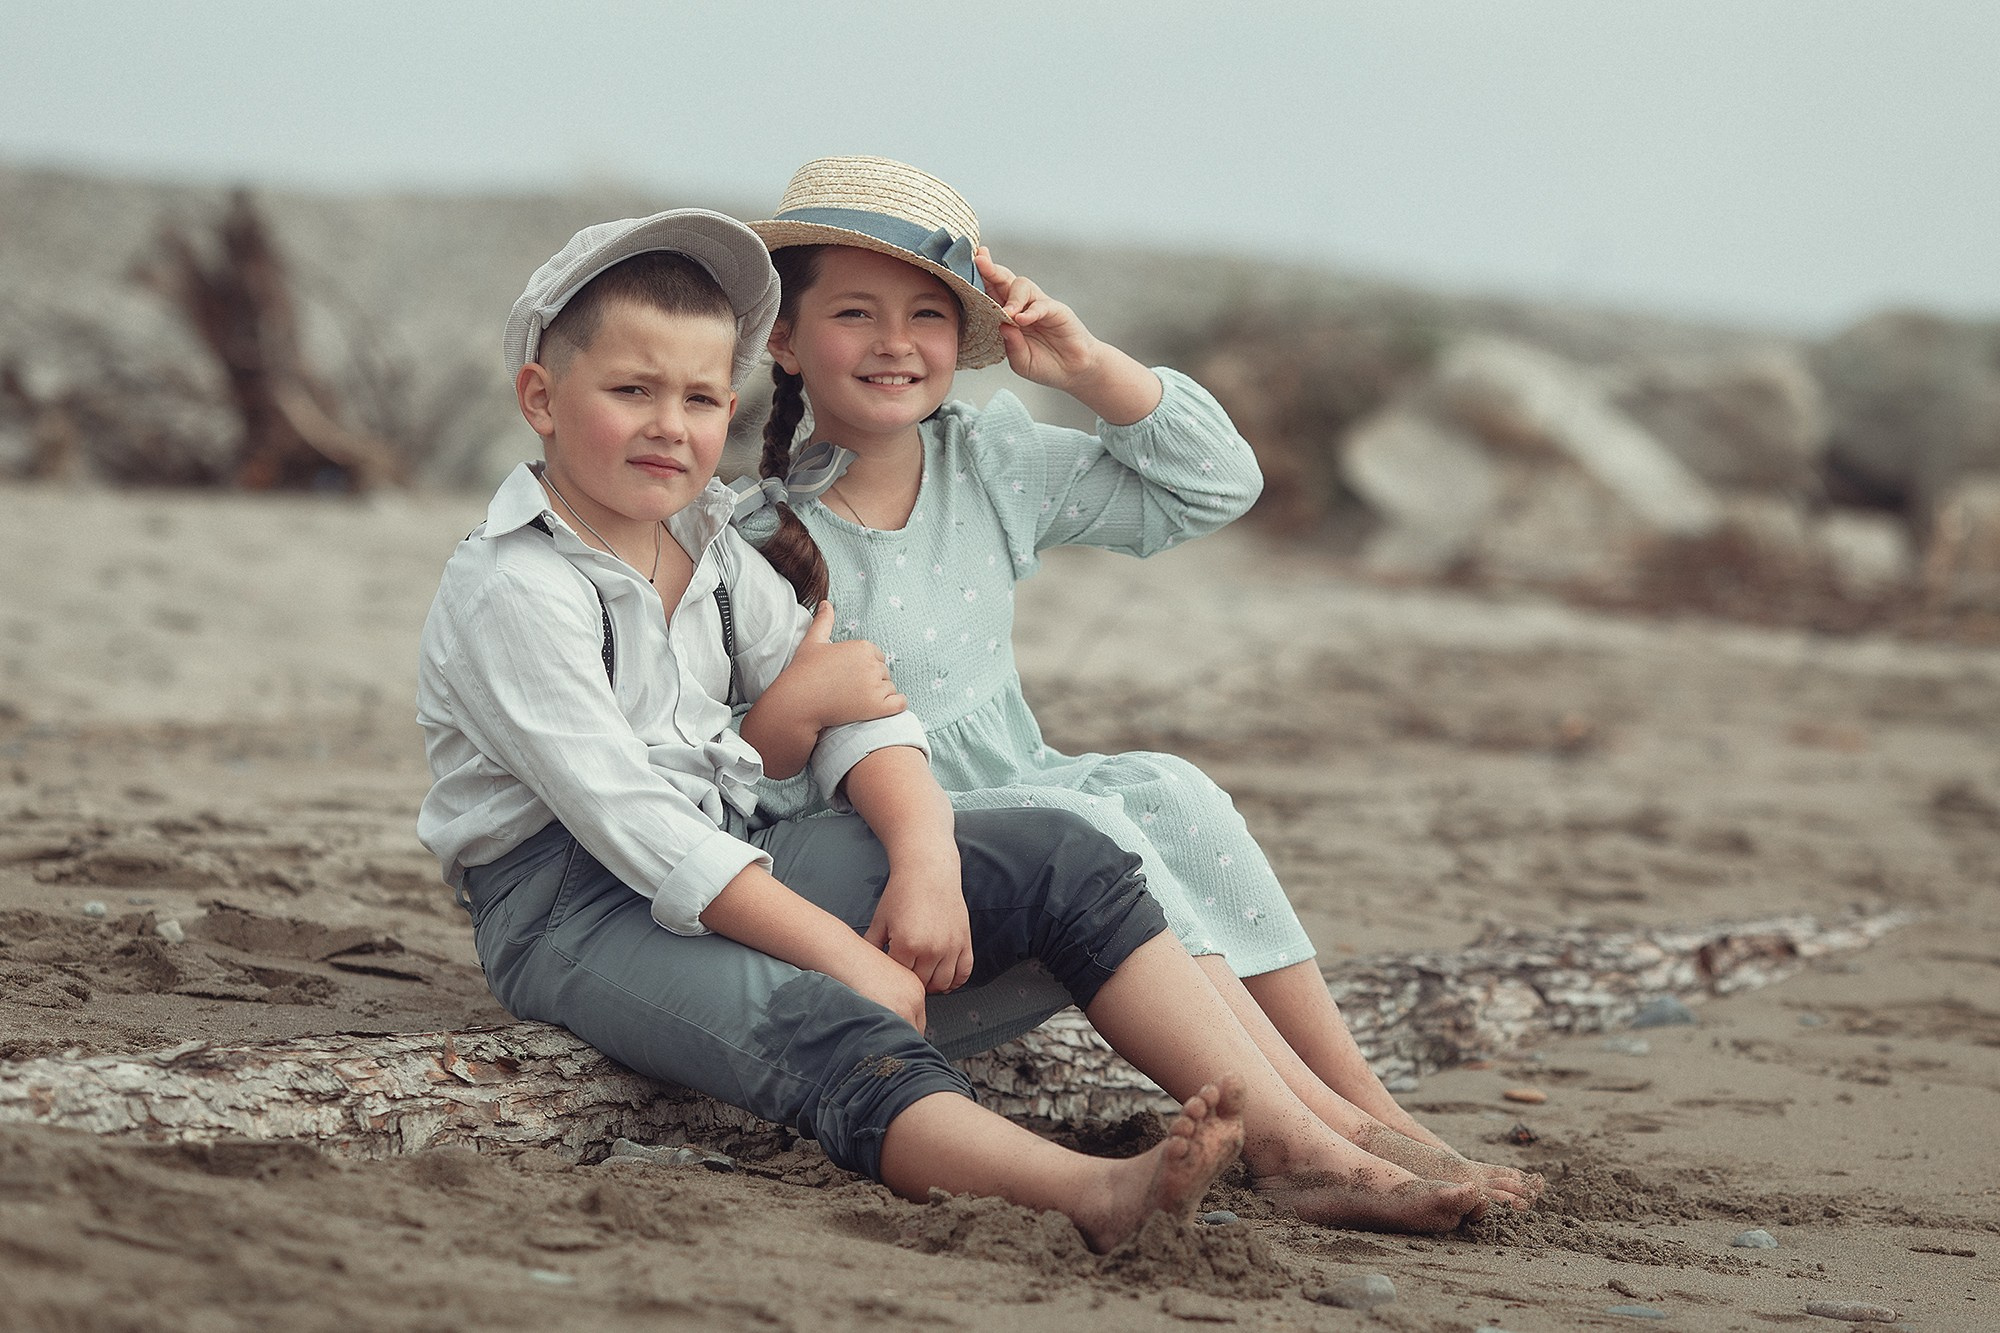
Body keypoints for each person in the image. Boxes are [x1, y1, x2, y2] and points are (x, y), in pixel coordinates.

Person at [415, 208, 1498, 1248]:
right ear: (541, 398)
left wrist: (927, 857)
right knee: (827, 1020)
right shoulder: (517, 587)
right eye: (631, 390)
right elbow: (633, 820)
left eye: (700, 397)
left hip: (737, 849)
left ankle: (1301, 1146)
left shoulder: (717, 553)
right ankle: (1089, 1191)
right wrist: (850, 951)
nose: (670, 425)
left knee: (1069, 849)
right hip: (571, 900)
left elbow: (855, 708)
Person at [733, 157, 1540, 1207]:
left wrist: (1082, 363)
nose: (895, 343)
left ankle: (1365, 1108)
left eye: (927, 316)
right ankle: (1305, 1134)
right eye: (853, 312)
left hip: (1027, 795)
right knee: (1092, 825)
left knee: (1171, 792)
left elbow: (1217, 483)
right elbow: (772, 770)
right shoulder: (761, 538)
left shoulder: (983, 463)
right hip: (911, 872)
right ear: (786, 340)